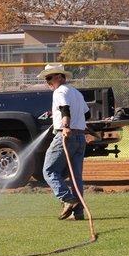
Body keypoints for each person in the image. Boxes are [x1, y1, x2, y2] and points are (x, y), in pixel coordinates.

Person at [37, 63, 89, 221]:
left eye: (49, 78)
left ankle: (67, 199)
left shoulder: (60, 91)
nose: (48, 82)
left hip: (66, 136)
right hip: (80, 137)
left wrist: (65, 126)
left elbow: (65, 110)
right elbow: (86, 113)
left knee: (49, 171)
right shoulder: (76, 93)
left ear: (59, 77)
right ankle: (77, 213)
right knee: (76, 178)